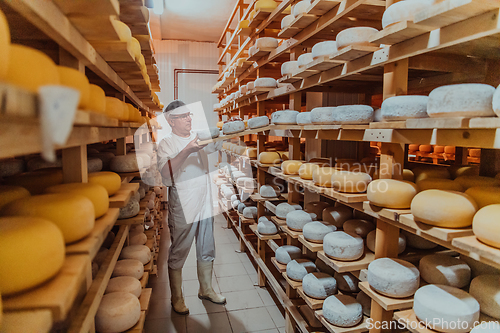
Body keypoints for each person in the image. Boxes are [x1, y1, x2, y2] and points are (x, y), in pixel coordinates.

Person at [157, 100, 225, 315]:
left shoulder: (199, 136)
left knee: (206, 247)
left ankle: (206, 289)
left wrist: (228, 130)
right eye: (183, 116)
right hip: (183, 205)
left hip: (205, 202)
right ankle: (177, 297)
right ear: (171, 121)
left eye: (189, 114)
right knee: (179, 250)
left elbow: (219, 142)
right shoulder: (166, 144)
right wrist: (187, 150)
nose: (188, 118)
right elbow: (166, 174)